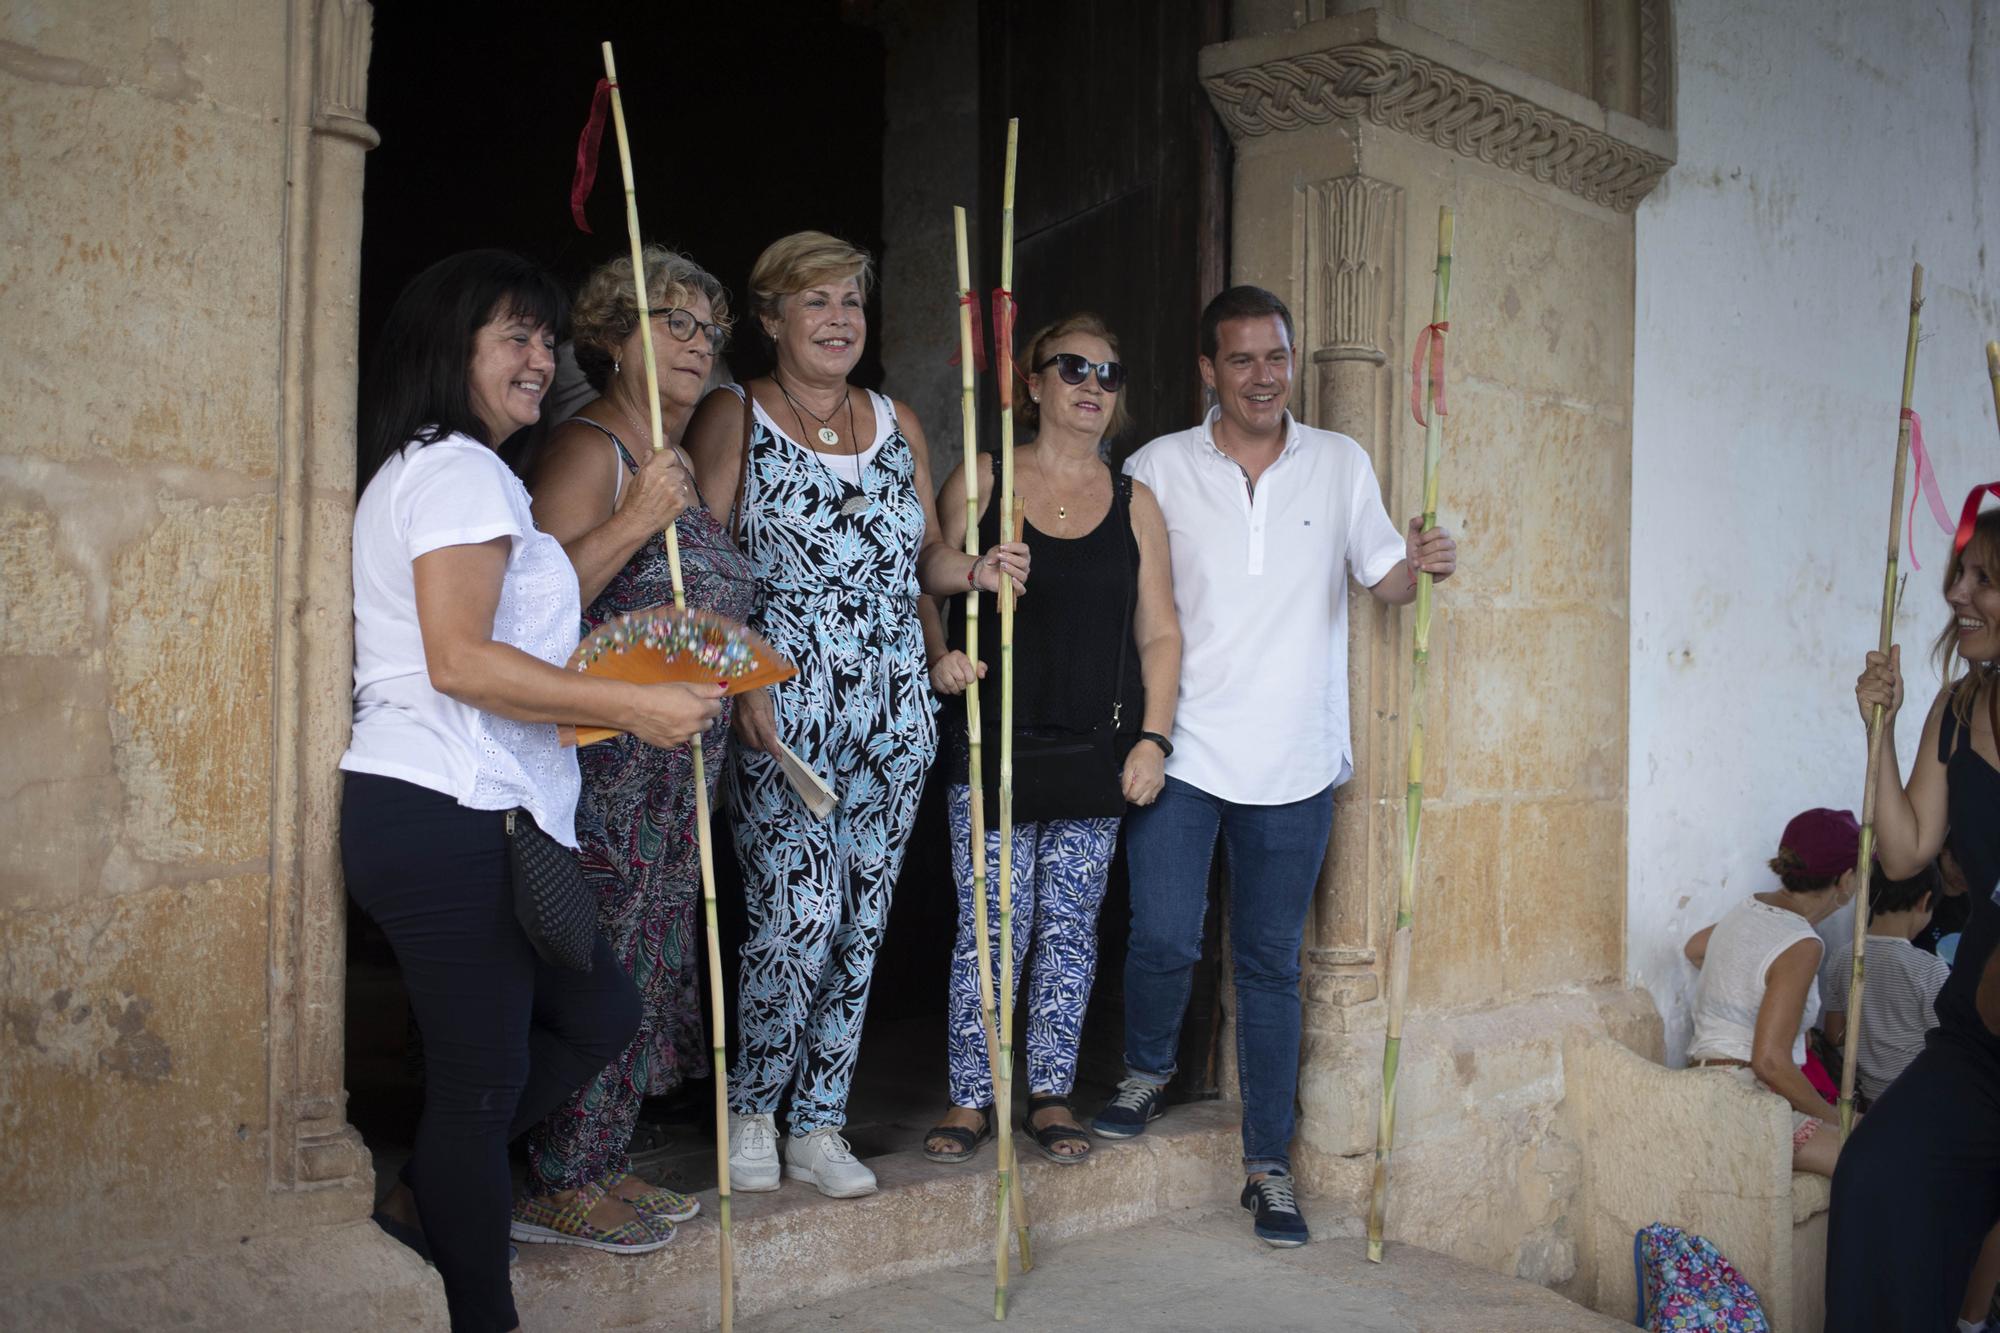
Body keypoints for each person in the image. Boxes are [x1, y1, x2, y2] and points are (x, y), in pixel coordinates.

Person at [340, 250, 723, 1330]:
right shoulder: (457, 470)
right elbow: (460, 662)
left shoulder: (465, 472)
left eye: (545, 339)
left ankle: (435, 1187)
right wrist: (637, 710)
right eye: (514, 335)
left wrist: (633, 543)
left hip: (482, 807)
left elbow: (523, 636)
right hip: (443, 806)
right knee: (481, 1080)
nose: (538, 356)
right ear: (448, 348)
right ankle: (479, 1302)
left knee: (596, 1011)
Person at [1088, 285, 1457, 1248]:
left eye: (1277, 356)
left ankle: (1269, 1165)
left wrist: (1424, 561)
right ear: (1209, 368)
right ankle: (1148, 1065)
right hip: (1186, 744)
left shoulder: (1339, 463)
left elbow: (1385, 583)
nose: (1264, 376)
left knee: (1268, 964)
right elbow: (1112, 593)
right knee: (1165, 932)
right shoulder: (1156, 466)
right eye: (1243, 359)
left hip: (1296, 757)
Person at [683, 231, 1029, 1199]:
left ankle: (819, 1122)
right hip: (784, 706)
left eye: (850, 303)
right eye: (815, 302)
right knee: (796, 913)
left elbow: (922, 561)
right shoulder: (733, 413)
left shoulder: (897, 421)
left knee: (863, 919)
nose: (838, 320)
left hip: (893, 705)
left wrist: (975, 571)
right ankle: (751, 1107)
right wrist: (739, 677)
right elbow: (705, 567)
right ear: (768, 319)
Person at [517, 246, 754, 1245]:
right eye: (674, 323)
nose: (698, 344)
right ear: (614, 333)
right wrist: (638, 517)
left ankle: (600, 1159)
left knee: (651, 964)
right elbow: (537, 604)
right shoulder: (588, 448)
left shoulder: (683, 450)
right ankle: (553, 1173)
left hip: (677, 762)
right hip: (603, 763)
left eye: (709, 327)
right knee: (603, 962)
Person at [921, 313, 1181, 1167]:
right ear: (1032, 382)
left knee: (1070, 927)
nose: (1091, 386)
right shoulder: (989, 476)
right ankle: (971, 1092)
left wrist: (1154, 738)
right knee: (990, 924)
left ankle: (1048, 1090)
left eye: (1109, 374)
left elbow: (1160, 633)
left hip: (1090, 750)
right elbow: (925, 570)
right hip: (991, 739)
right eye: (1072, 368)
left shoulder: (1137, 503)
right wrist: (943, 655)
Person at [1827, 498, 2000, 1331]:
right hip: (1976, 1048)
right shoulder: (1956, 711)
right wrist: (1880, 732)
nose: (1959, 596)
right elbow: (1902, 854)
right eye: (1959, 576)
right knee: (1873, 1176)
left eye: (1984, 580)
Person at [1681, 808, 1859, 1177]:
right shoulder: (1801, 942)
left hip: (1704, 1082)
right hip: (1744, 1100)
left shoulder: (1751, 906)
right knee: (1869, 1157)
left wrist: (1746, 995)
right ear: (1846, 879)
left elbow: (1695, 947)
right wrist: (1836, 1119)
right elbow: (1770, 1062)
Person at [1820, 860, 1948, 1104]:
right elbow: (1947, 1046)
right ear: (1925, 900)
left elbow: (1834, 1035)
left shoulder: (1842, 958)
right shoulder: (1929, 969)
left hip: (1863, 1096)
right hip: (1918, 1095)